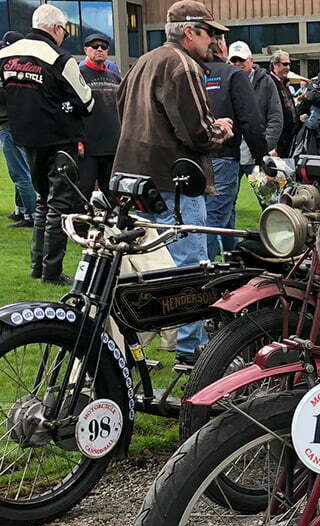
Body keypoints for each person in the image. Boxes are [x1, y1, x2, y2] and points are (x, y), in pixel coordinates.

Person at [114, 0, 234, 365]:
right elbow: (196, 132)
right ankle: (189, 349)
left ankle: (128, 347)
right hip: (174, 179)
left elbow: (120, 108)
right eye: (210, 32)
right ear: (190, 31)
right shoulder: (182, 64)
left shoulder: (145, 62)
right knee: (192, 266)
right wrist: (221, 131)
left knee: (137, 264)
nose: (214, 40)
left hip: (134, 175)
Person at [0, 4, 94, 284]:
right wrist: (62, 105)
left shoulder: (5, 55)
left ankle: (37, 266)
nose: (64, 36)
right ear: (55, 28)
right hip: (58, 140)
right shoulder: (59, 57)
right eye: (64, 30)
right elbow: (86, 102)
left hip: (26, 140)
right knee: (59, 206)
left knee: (43, 201)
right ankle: (51, 272)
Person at [204, 35, 267, 258]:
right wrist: (263, 158)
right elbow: (251, 120)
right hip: (223, 155)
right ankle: (207, 274)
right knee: (213, 221)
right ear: (222, 46)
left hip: (191, 157)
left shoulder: (190, 71)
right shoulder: (233, 75)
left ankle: (231, 258)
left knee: (207, 217)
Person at [78, 32, 121, 200]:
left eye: (103, 47)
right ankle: (80, 226)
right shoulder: (78, 74)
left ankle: (112, 226)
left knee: (113, 193)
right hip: (88, 147)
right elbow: (70, 110)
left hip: (112, 146)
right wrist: (78, 141)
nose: (99, 49)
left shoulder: (115, 77)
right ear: (86, 50)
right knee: (83, 190)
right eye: (95, 46)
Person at [0, 31, 36, 229]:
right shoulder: (25, 68)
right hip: (22, 125)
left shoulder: (9, 70)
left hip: (9, 126)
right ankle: (22, 210)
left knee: (20, 173)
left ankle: (31, 215)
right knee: (22, 171)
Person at [269, 49, 297, 156]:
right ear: (275, 65)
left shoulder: (283, 83)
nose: (288, 67)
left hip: (287, 139)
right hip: (277, 141)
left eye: (289, 64)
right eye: (285, 64)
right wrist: (272, 146)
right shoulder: (269, 82)